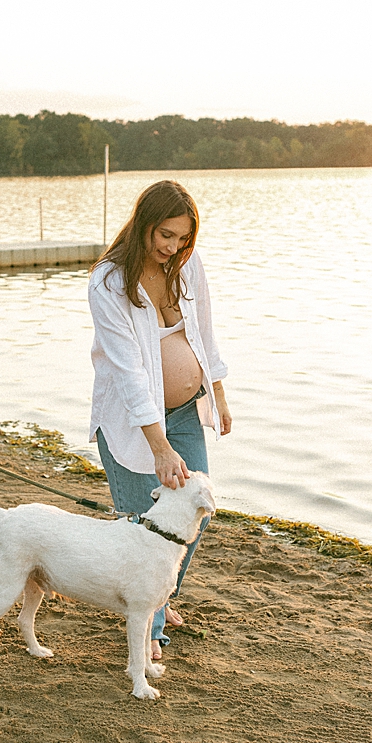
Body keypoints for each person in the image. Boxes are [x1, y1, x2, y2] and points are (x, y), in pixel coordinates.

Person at [87, 180, 231, 657]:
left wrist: (219, 393)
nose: (173, 248)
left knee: (194, 513)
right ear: (144, 224)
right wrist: (160, 448)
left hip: (186, 411)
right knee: (143, 527)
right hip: (133, 421)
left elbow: (206, 334)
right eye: (165, 235)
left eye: (183, 239)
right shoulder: (109, 281)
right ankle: (147, 632)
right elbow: (128, 372)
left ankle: (160, 598)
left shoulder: (187, 268)